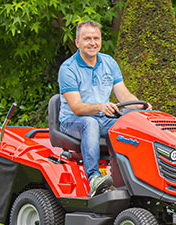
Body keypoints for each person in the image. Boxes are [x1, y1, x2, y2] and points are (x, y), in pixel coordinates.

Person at [58, 20, 151, 197]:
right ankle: (94, 179)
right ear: (78, 43)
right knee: (90, 123)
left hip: (103, 118)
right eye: (87, 39)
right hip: (73, 121)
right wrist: (100, 106)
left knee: (129, 127)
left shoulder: (109, 63)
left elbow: (124, 96)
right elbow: (77, 108)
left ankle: (126, 177)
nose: (92, 43)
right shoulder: (68, 69)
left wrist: (140, 106)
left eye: (96, 38)